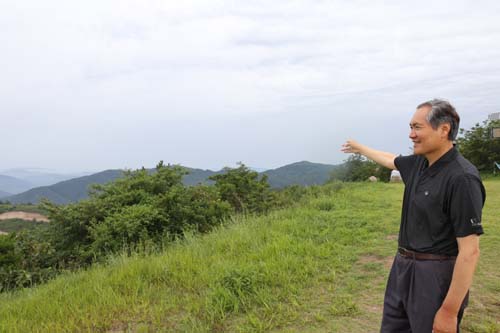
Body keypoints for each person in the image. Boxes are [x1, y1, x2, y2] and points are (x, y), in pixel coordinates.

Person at [341, 99, 485, 333]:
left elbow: (470, 251)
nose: (411, 135)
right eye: (411, 127)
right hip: (403, 267)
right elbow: (391, 160)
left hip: (435, 275)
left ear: (443, 130)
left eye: (417, 127)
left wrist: (448, 311)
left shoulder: (462, 178)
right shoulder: (420, 163)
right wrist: (360, 149)